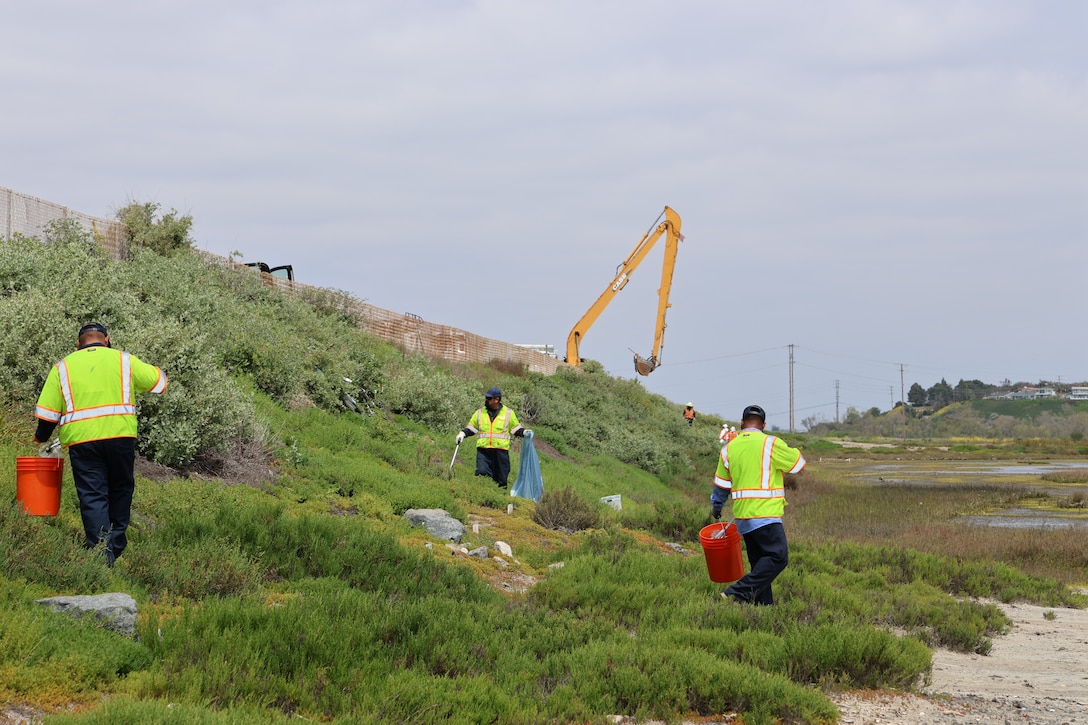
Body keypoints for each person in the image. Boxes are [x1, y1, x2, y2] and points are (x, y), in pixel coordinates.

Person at [33, 322, 167, 565]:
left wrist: (40, 438)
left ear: (78, 343)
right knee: (120, 490)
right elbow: (159, 383)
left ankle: (100, 555)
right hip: (120, 438)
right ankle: (114, 547)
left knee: (93, 496)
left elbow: (47, 415)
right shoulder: (123, 360)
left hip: (83, 442)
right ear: (107, 339)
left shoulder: (62, 367)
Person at [710, 404, 806, 605]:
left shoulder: (728, 449)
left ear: (742, 423)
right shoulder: (770, 443)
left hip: (743, 519)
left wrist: (717, 507)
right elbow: (798, 464)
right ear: (763, 425)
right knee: (778, 558)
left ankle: (762, 607)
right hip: (765, 515)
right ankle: (736, 592)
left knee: (760, 565)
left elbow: (721, 486)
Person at [456, 387, 530, 488]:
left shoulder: (508, 413)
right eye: (486, 398)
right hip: (483, 451)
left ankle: (500, 500)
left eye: (489, 398)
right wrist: (463, 433)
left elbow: (515, 429)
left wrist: (524, 432)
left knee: (501, 479)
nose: (486, 400)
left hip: (500, 452)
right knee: (481, 473)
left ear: (497, 400)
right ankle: (482, 497)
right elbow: (472, 428)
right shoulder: (480, 412)